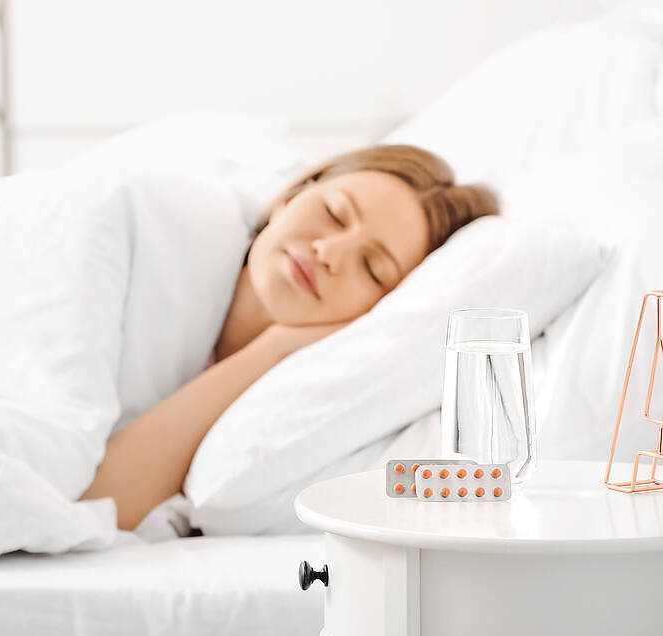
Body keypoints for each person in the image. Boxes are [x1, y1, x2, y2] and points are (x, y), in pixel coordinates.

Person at [82, 144, 498, 530]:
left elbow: (98, 501)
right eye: (334, 213)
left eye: (373, 269)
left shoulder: (290, 397)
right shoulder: (154, 230)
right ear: (292, 197)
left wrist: (275, 349)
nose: (329, 252)